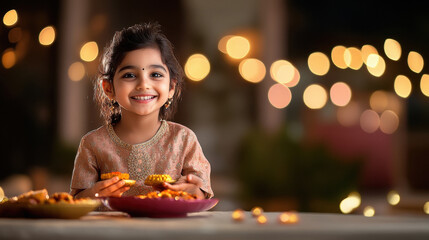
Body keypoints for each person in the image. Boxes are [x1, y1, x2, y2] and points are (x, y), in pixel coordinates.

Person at [69, 22, 213, 200]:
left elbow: (201, 194)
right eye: (129, 75)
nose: (144, 84)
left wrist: (193, 192)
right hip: (110, 228)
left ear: (171, 87)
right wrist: (95, 193)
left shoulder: (183, 140)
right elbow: (75, 201)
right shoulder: (93, 144)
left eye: (156, 74)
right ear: (108, 88)